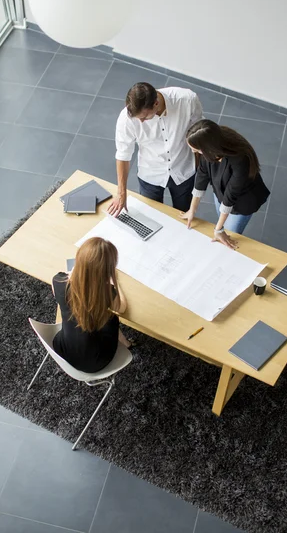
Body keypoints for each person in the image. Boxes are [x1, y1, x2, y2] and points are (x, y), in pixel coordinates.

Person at [108, 82, 203, 216]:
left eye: (144, 117)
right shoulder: (126, 119)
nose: (140, 122)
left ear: (156, 104)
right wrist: (121, 193)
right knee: (151, 216)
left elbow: (198, 131)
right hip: (150, 173)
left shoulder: (187, 100)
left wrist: (197, 164)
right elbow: (123, 155)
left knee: (183, 214)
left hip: (183, 170)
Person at [180, 119, 270, 249]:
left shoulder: (240, 159)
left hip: (241, 201)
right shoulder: (210, 147)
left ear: (208, 147)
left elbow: (230, 196)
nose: (194, 153)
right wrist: (192, 209)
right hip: (222, 192)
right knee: (222, 222)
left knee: (229, 232)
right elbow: (202, 175)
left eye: (197, 150)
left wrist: (219, 230)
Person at [52, 237, 131, 374]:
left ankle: (127, 343)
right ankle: (127, 344)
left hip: (63, 349)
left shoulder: (58, 281)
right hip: (96, 360)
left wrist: (74, 274)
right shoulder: (105, 293)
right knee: (111, 318)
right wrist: (114, 282)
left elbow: (59, 294)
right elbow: (122, 308)